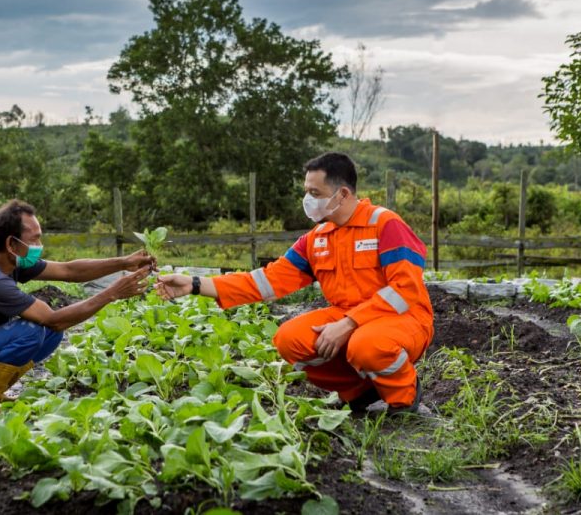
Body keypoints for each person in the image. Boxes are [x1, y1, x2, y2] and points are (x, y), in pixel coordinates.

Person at [156, 152, 433, 413]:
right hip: (347, 317)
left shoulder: (385, 224)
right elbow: (266, 280)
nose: (307, 200)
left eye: (315, 193)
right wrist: (193, 284)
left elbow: (404, 290)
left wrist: (349, 324)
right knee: (289, 340)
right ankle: (361, 392)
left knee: (366, 345)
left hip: (402, 317)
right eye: (306, 192)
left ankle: (403, 398)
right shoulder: (317, 238)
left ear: (343, 194)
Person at [0, 199, 155, 419]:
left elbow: (69, 271)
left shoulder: (7, 262)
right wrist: (112, 292)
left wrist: (124, 262)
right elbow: (54, 318)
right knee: (33, 330)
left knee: (51, 335)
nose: (39, 247)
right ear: (11, 244)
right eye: (35, 240)